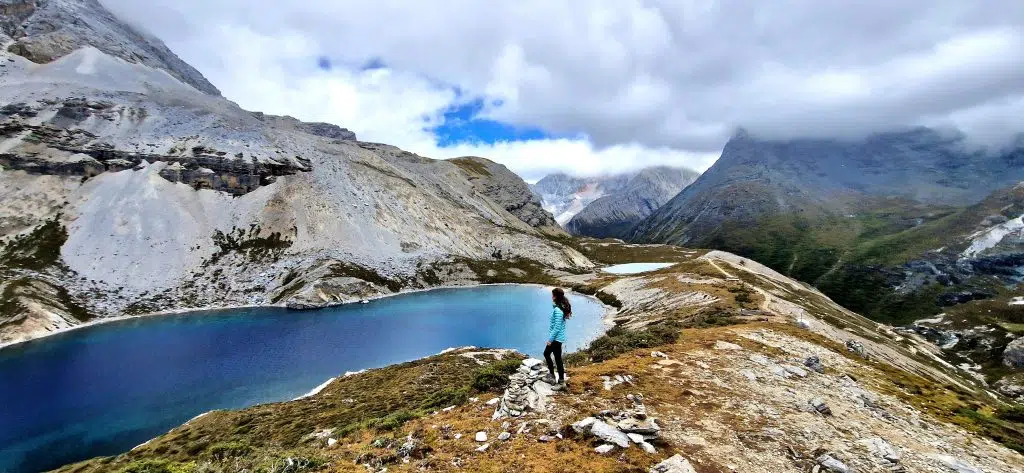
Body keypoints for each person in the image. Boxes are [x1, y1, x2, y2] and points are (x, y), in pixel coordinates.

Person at [544, 287, 572, 387]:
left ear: (555, 296)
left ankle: (554, 377)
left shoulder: (558, 310)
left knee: (547, 354)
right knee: (557, 358)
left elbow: (556, 327)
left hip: (556, 339)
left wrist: (550, 340)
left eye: (552, 295)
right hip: (559, 338)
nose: (551, 297)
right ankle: (559, 380)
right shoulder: (561, 307)